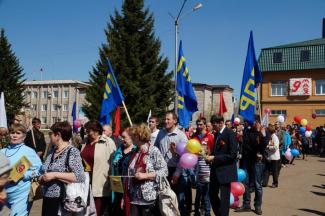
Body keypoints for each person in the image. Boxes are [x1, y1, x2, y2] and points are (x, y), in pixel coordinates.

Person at [40, 121, 85, 216]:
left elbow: (80, 176)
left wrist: (55, 175)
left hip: (63, 200)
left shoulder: (72, 151)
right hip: (48, 197)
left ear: (58, 135)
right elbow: (44, 170)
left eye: (50, 134)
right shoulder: (52, 151)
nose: (49, 136)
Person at [124, 124, 168, 216]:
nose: (131, 137)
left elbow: (164, 171)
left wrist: (145, 175)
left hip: (148, 196)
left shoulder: (153, 151)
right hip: (134, 196)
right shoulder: (134, 152)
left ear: (139, 136)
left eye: (133, 135)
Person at [1, 123, 42, 216]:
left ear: (24, 136)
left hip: (20, 195)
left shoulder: (29, 151)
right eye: (12, 132)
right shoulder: (2, 151)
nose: (14, 135)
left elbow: (39, 171)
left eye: (18, 133)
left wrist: (23, 175)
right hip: (3, 194)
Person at [154, 111, 188, 215]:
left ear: (175, 121)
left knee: (176, 200)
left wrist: (177, 174)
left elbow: (185, 158)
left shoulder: (181, 136)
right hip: (162, 171)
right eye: (165, 119)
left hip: (175, 172)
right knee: (162, 199)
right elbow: (155, 149)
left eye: (168, 119)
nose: (165, 121)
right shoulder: (161, 133)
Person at [81, 120, 116, 216]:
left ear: (96, 131)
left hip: (101, 184)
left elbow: (114, 164)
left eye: (88, 131)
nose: (87, 133)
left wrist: (112, 182)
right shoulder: (84, 141)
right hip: (85, 183)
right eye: (86, 131)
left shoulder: (108, 142)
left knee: (98, 211)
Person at [205, 115, 237, 216]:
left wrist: (214, 158)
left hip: (225, 171)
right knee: (212, 194)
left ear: (221, 123)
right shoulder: (217, 134)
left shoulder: (230, 133)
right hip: (215, 170)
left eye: (214, 125)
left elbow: (232, 154)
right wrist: (209, 158)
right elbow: (217, 152)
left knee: (224, 199)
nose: (213, 128)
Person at [236, 119, 268, 215]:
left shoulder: (263, 132)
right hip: (247, 161)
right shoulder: (247, 132)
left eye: (257, 122)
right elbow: (246, 145)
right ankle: (246, 204)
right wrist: (255, 153)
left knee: (258, 185)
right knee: (245, 183)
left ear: (260, 123)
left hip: (258, 163)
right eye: (254, 122)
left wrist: (263, 135)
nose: (255, 124)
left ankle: (257, 205)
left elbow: (263, 146)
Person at [112, 127, 137, 214]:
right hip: (117, 186)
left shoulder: (136, 151)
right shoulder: (119, 149)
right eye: (121, 137)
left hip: (129, 188)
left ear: (131, 137)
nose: (122, 139)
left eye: (124, 137)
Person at [193, 117, 213, 216]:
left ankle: (207, 212)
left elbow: (213, 151)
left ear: (205, 125)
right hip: (196, 168)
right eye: (198, 124)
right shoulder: (194, 137)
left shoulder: (210, 137)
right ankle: (196, 212)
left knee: (206, 192)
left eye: (201, 124)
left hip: (206, 167)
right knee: (198, 192)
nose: (199, 126)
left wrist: (208, 153)